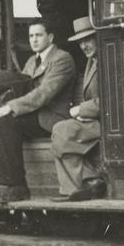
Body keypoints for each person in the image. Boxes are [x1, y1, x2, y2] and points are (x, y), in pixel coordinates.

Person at [0, 18, 75, 204]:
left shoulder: (62, 59)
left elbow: (43, 94)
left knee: (7, 120)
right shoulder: (32, 61)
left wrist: (9, 108)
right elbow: (17, 91)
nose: (34, 40)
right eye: (31, 36)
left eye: (39, 35)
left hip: (51, 118)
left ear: (51, 37)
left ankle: (15, 187)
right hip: (30, 114)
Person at [50, 17, 106, 202]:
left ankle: (85, 183)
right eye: (81, 42)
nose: (84, 46)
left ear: (98, 37)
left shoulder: (107, 61)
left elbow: (111, 100)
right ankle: (87, 182)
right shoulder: (92, 61)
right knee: (60, 132)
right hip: (94, 120)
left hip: (108, 123)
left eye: (88, 40)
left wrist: (81, 110)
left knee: (61, 131)